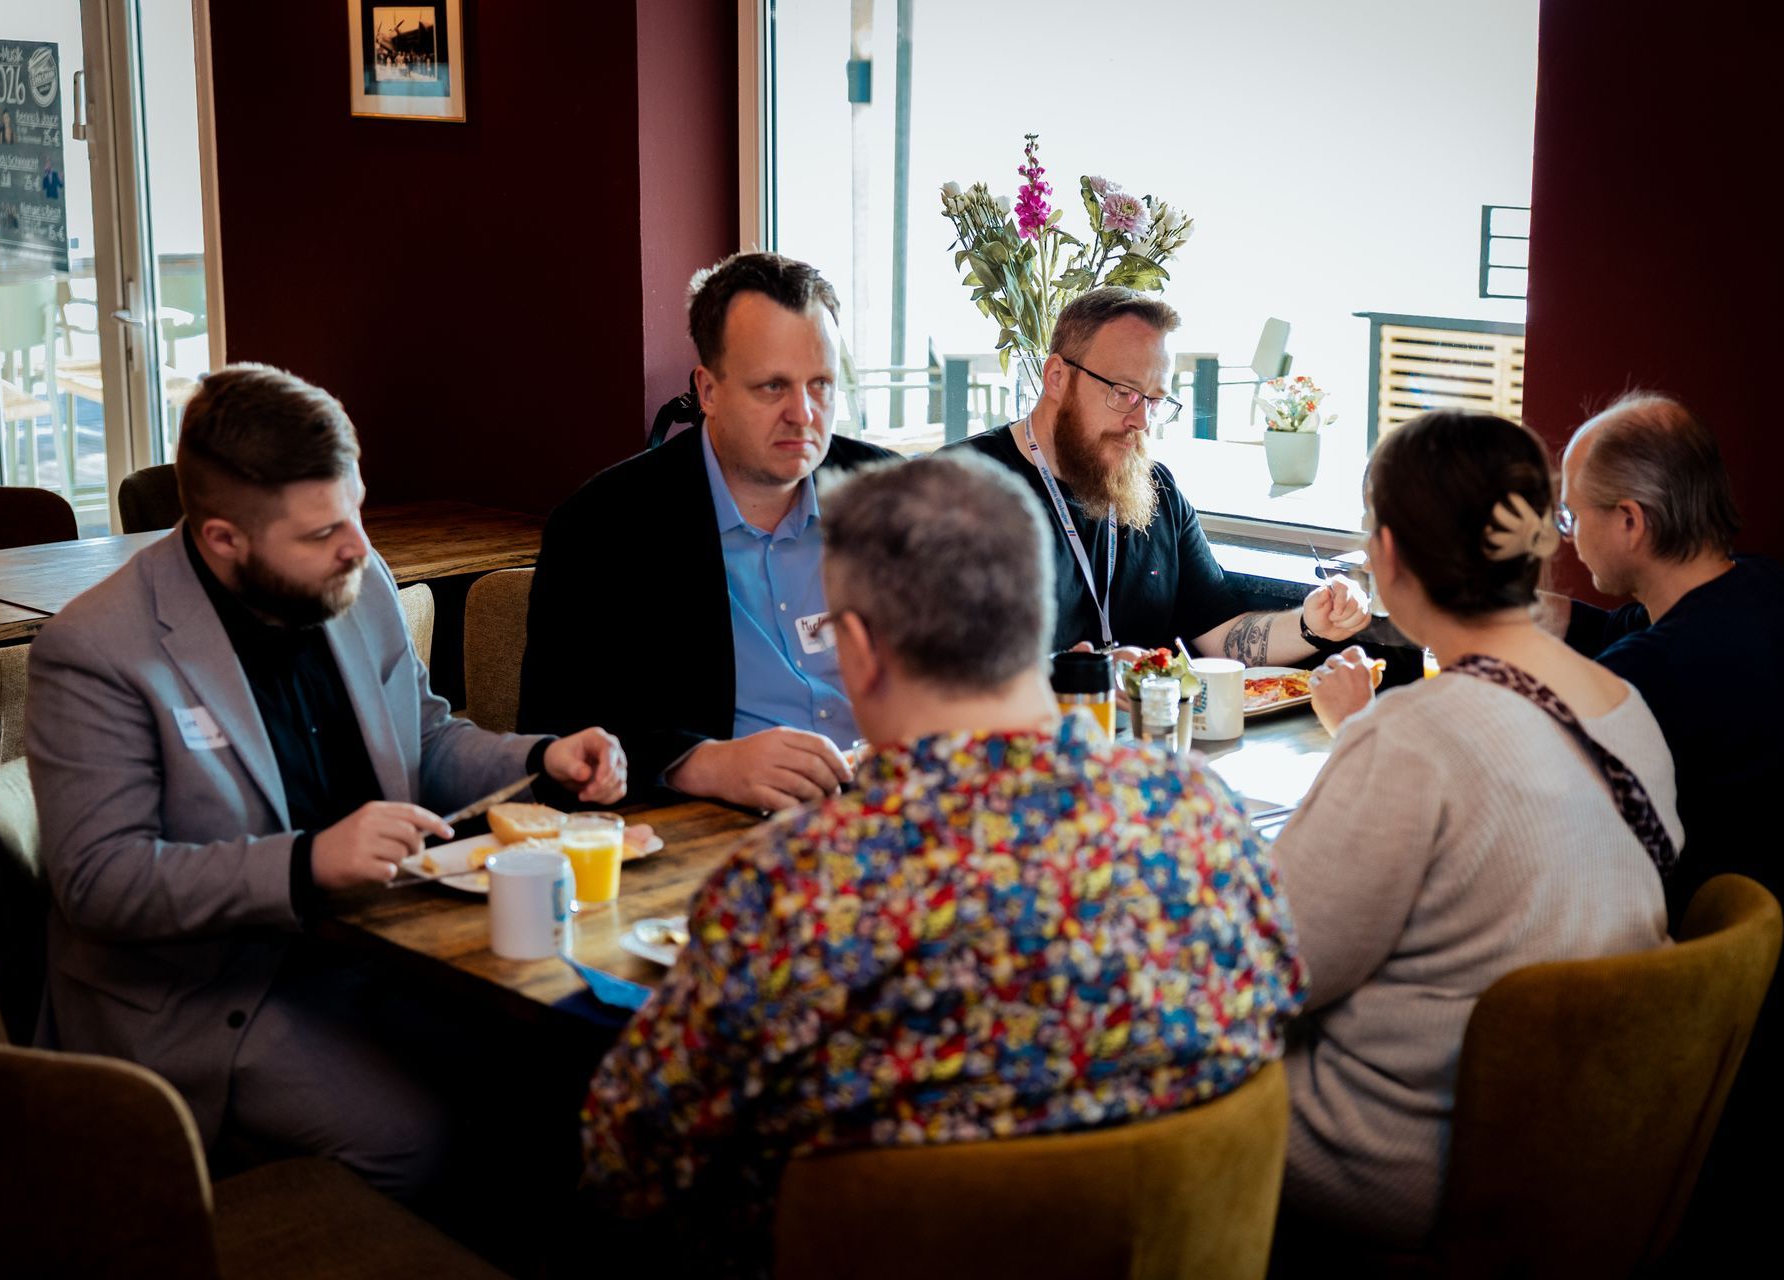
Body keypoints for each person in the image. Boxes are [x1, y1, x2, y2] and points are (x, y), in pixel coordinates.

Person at [579, 453, 1307, 1265]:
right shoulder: (1206, 823)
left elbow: (631, 1165)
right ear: (1036, 612)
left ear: (856, 648)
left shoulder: (799, 889)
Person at [24, 363, 626, 1197]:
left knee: (565, 1073)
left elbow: (425, 743)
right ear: (222, 540)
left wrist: (538, 760)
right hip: (212, 998)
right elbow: (101, 883)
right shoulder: (95, 650)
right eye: (319, 534)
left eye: (356, 511)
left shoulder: (356, 576)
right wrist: (305, 863)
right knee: (422, 1139)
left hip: (382, 950)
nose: (358, 546)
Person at [1270, 409, 1679, 1247]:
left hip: (1407, 1158)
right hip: (1586, 1151)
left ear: (1386, 557)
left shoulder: (1413, 735)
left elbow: (1269, 971)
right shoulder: (1628, 708)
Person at [520, 252, 896, 811]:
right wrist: (697, 763)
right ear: (708, 391)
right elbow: (552, 738)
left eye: (820, 384)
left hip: (893, 808)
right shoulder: (603, 526)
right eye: (772, 387)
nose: (804, 413)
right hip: (714, 829)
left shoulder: (896, 498)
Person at [946, 286, 1371, 669]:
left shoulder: (1156, 490)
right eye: (1124, 392)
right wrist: (1082, 676)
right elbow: (934, 667)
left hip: (1149, 744)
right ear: (1056, 376)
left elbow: (1221, 636)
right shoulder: (955, 489)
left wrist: (1311, 624)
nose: (1141, 420)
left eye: (1155, 400)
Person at [1538, 393, 1784, 922]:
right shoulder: (1767, 587)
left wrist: (1363, 718)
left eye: (1571, 513)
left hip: (1670, 943)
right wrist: (1514, 612)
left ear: (1629, 522)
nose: (1567, 534)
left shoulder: (1645, 676)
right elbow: (1619, 628)